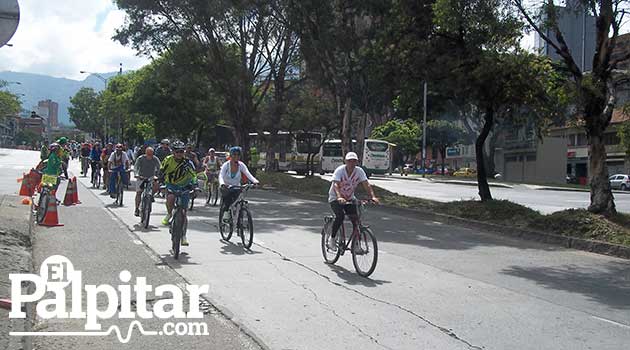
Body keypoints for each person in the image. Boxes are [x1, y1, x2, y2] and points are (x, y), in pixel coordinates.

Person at [327, 152, 379, 251]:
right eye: (349, 161)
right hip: (335, 198)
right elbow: (336, 185)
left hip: (350, 198)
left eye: (354, 161)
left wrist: (373, 196)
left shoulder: (359, 171)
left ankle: (356, 244)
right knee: (340, 216)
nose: (352, 163)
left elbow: (366, 184)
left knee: (356, 220)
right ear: (345, 161)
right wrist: (339, 197)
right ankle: (332, 239)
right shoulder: (340, 170)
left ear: (357, 162)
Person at [160, 142, 198, 245]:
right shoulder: (168, 160)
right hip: (171, 184)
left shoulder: (187, 162)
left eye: (182, 151)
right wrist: (158, 180)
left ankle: (184, 236)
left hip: (185, 186)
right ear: (173, 152)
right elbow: (161, 170)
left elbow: (194, 175)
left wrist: (195, 185)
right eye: (177, 151)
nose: (180, 154)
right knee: (171, 198)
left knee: (184, 212)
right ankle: (169, 214)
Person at [218, 146, 259, 214]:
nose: (236, 156)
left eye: (238, 154)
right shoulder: (226, 165)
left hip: (237, 187)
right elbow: (221, 175)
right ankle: (225, 215)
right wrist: (222, 184)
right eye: (234, 154)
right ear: (231, 155)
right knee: (227, 203)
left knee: (238, 202)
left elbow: (248, 174)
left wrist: (255, 181)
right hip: (226, 187)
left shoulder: (241, 165)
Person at [134, 147, 161, 217]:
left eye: (151, 154)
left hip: (151, 177)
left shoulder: (155, 159)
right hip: (141, 177)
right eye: (148, 154)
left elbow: (160, 168)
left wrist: (158, 175)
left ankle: (150, 196)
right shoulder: (140, 158)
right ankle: (137, 208)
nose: (150, 156)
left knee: (157, 186)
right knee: (139, 192)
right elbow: (136, 167)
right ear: (145, 153)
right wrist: (136, 175)